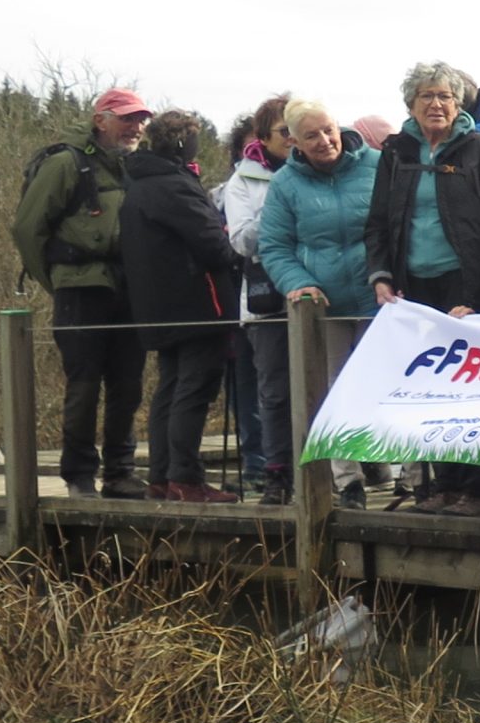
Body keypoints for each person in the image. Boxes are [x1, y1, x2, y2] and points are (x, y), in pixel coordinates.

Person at [365, 60, 480, 519]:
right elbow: (376, 222)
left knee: (471, 387)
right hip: (412, 288)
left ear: (458, 103)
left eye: (446, 96)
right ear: (411, 104)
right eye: (427, 96)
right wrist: (381, 274)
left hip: (465, 283)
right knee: (427, 388)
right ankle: (443, 487)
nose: (437, 104)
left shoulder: (479, 149)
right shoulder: (395, 152)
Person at [12, 86, 152, 498]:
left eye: (141, 119)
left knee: (129, 384)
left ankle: (120, 472)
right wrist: (55, 282)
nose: (136, 126)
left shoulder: (136, 167)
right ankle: (79, 475)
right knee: (85, 383)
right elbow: (26, 228)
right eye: (127, 118)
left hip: (130, 289)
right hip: (81, 289)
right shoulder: (65, 163)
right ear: (100, 120)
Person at [259, 100, 379, 509]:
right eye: (312, 135)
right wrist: (299, 283)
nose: (325, 140)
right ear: (294, 141)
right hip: (325, 305)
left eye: (328, 129)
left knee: (390, 386)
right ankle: (349, 482)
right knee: (334, 392)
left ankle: (415, 477)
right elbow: (274, 246)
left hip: (380, 296)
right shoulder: (285, 185)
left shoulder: (376, 165)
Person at [120, 110, 241, 503]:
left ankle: (162, 477)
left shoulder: (138, 185)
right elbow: (212, 244)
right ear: (182, 145)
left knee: (170, 388)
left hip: (158, 305)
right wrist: (230, 252)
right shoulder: (175, 185)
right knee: (194, 389)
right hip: (197, 304)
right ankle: (186, 479)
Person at [220, 94, 295, 502]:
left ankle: (333, 476)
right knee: (275, 393)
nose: (294, 138)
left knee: (323, 390)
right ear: (264, 138)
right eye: (286, 131)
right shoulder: (243, 181)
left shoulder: (321, 169)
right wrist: (279, 203)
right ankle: (277, 476)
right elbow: (243, 240)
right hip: (268, 304)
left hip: (323, 300)